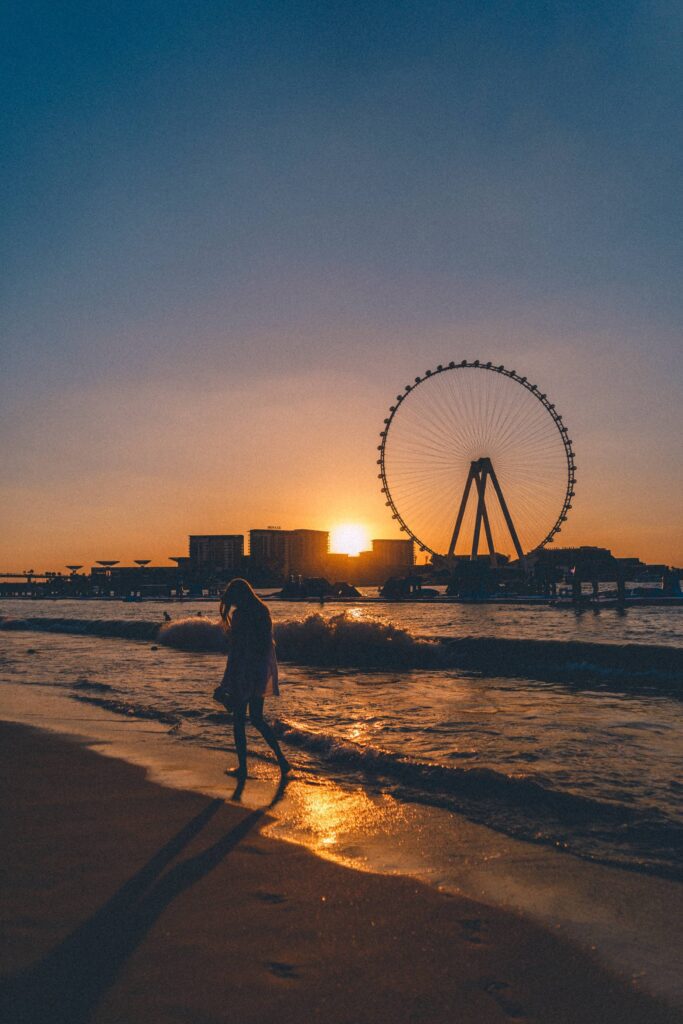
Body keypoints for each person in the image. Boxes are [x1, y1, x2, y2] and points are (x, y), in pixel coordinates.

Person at [214, 578, 290, 779]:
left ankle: (243, 768)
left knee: (238, 721)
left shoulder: (241, 616)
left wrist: (226, 683)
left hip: (244, 671)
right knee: (257, 718)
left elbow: (237, 652)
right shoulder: (262, 611)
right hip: (260, 670)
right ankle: (282, 760)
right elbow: (266, 646)